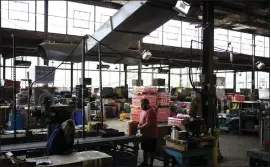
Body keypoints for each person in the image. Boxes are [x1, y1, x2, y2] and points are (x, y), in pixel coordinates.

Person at [138, 98, 158, 166]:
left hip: (151, 135)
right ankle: (145, 163)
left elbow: (149, 123)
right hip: (144, 134)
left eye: (142, 104)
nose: (141, 106)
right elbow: (141, 120)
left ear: (146, 104)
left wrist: (139, 127)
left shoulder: (150, 111)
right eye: (141, 104)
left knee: (151, 151)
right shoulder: (143, 110)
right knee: (145, 149)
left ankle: (151, 164)